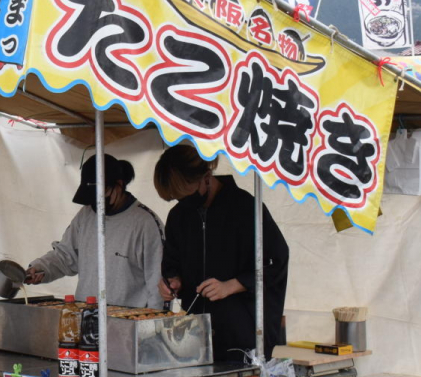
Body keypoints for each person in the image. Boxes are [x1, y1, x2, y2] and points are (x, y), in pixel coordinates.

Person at [154, 144, 289, 361]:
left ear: (206, 177)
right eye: (176, 199)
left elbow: (276, 261)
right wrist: (171, 281)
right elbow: (171, 262)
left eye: (187, 195)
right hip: (193, 337)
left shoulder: (246, 208)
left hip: (241, 336)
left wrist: (233, 285)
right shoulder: (179, 216)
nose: (183, 204)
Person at [24, 154, 165, 309]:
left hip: (127, 324)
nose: (96, 203)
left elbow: (158, 285)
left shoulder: (145, 223)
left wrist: (153, 326)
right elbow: (64, 257)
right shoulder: (85, 216)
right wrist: (39, 268)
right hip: (85, 315)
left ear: (119, 185)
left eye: (100, 195)